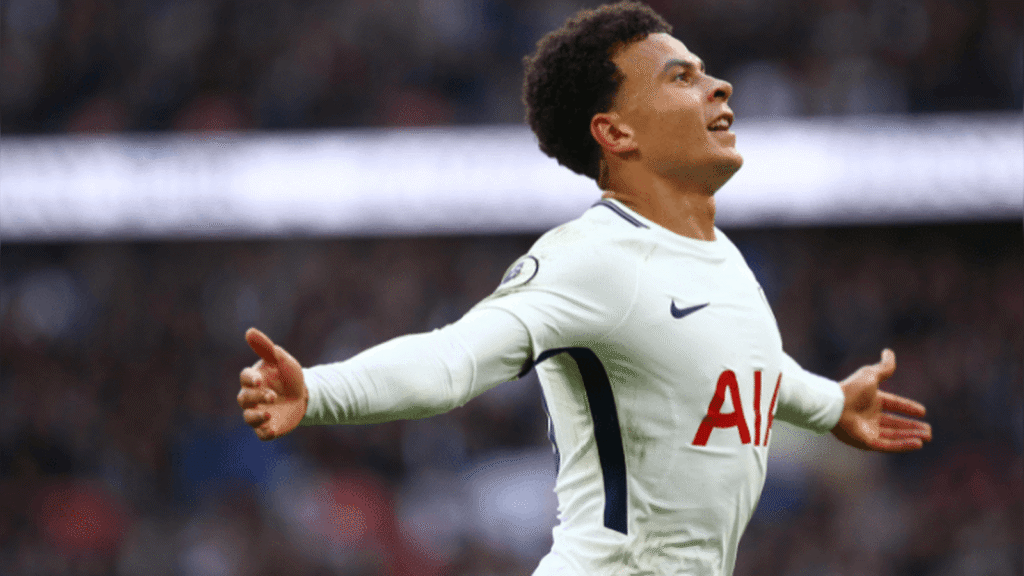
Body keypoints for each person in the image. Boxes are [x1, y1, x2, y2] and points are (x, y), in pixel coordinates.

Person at [236, 2, 932, 574]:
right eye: (681, 79)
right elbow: (455, 359)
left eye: (705, 72)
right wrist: (319, 391)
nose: (718, 88)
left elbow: (735, 362)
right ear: (617, 132)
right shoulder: (592, 257)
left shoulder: (719, 258)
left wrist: (830, 403)